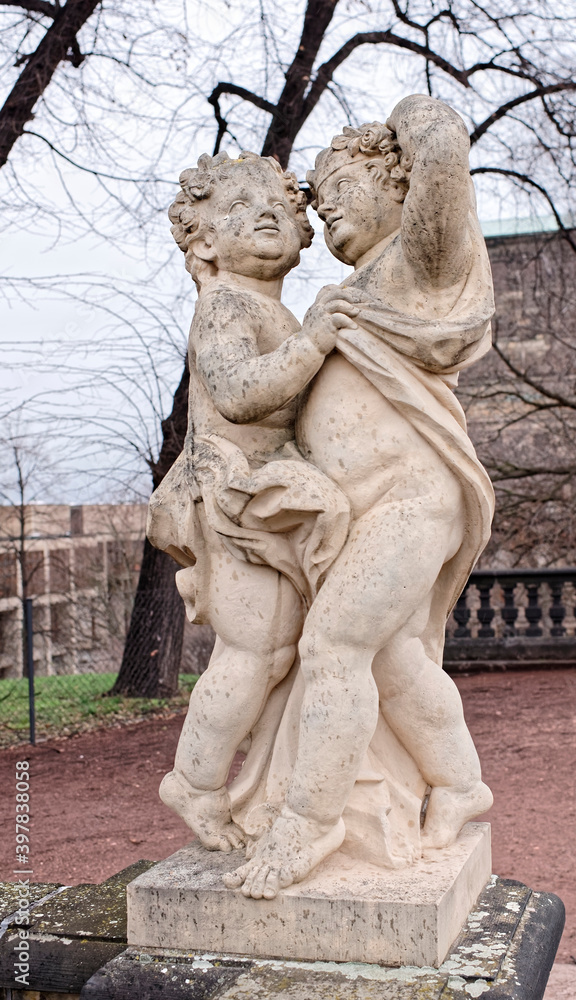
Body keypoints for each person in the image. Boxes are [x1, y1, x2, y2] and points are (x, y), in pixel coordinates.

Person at [225, 96, 496, 900]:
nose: (326, 202)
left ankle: (312, 821)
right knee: (393, 656)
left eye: (340, 181)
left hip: (414, 496)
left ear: (395, 183)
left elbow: (443, 145)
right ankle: (458, 783)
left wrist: (408, 120)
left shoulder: (424, 258)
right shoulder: (340, 293)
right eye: (318, 189)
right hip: (355, 512)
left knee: (334, 644)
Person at [150, 150, 359, 852]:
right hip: (239, 492)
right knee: (251, 653)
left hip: (271, 493)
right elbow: (239, 392)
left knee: (276, 657)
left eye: (283, 209)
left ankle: (259, 782)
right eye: (238, 211)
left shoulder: (272, 306)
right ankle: (196, 782)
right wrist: (316, 340)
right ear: (204, 240)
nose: (268, 215)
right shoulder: (226, 305)